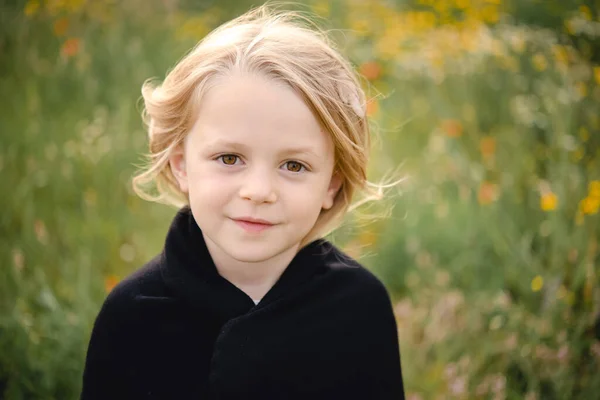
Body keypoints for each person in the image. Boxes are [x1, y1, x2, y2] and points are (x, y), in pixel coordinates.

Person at [80, 4, 405, 399]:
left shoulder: (359, 308)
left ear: (331, 186)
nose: (259, 190)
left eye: (294, 165)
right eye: (229, 158)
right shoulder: (132, 315)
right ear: (181, 164)